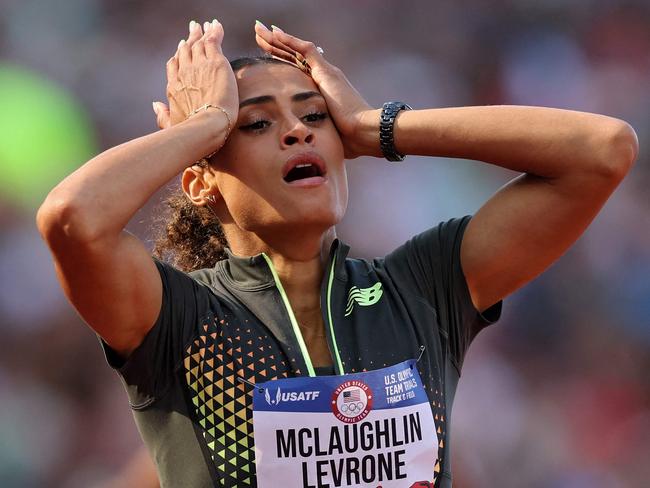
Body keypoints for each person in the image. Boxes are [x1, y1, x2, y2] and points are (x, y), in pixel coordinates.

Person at [36, 18, 638, 488]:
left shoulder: (422, 287)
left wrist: (376, 125)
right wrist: (201, 125)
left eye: (314, 114)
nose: (298, 131)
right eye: (255, 125)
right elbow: (72, 218)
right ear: (202, 182)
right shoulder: (176, 318)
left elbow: (603, 150)